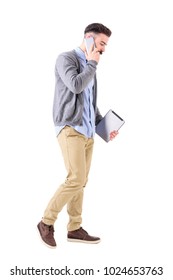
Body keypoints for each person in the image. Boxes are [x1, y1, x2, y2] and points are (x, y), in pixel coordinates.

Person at [37, 23, 118, 248]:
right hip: (70, 128)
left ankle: (74, 227)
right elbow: (75, 86)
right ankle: (46, 222)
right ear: (89, 39)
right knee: (76, 179)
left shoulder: (92, 68)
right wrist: (92, 62)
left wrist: (103, 127)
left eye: (105, 45)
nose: (103, 49)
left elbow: (90, 103)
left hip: (88, 133)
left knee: (81, 182)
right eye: (101, 43)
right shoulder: (66, 59)